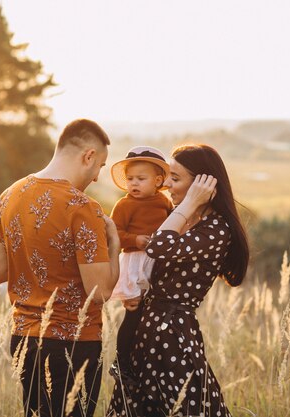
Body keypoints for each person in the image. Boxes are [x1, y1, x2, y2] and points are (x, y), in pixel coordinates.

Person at [0, 119, 121, 417]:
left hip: (23, 340)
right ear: (88, 156)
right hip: (73, 345)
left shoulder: (8, 196)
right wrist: (115, 248)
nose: (98, 177)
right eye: (100, 165)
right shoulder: (83, 208)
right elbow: (99, 292)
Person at [107, 144, 249, 417]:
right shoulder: (186, 219)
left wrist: (188, 203)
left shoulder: (216, 228)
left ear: (202, 184)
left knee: (186, 408)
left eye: (175, 178)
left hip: (172, 336)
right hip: (146, 331)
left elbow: (157, 246)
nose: (167, 185)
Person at [107, 146, 173, 384]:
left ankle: (145, 362)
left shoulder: (164, 202)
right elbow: (114, 235)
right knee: (133, 313)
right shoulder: (125, 205)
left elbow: (174, 225)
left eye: (140, 179)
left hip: (156, 263)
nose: (133, 184)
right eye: (130, 179)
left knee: (151, 314)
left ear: (157, 181)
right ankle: (121, 362)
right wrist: (135, 239)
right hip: (135, 261)